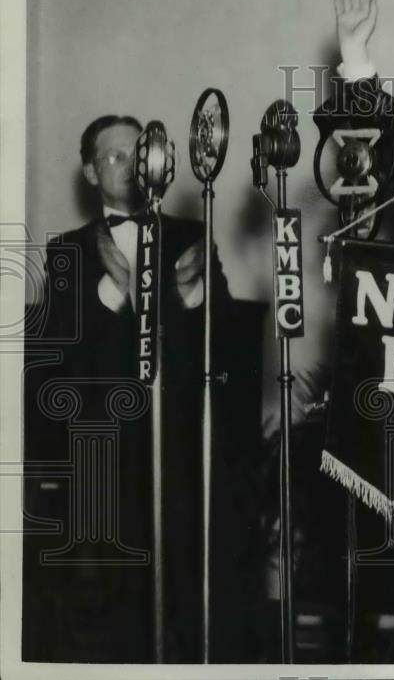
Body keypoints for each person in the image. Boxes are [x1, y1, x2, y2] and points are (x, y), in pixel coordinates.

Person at [23, 114, 243, 662]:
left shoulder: (192, 235)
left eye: (137, 153)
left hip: (180, 455)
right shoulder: (68, 249)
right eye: (114, 156)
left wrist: (196, 300)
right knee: (112, 610)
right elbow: (58, 364)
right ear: (91, 172)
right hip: (108, 461)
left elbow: (231, 352)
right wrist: (109, 294)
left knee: (188, 597)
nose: (129, 165)